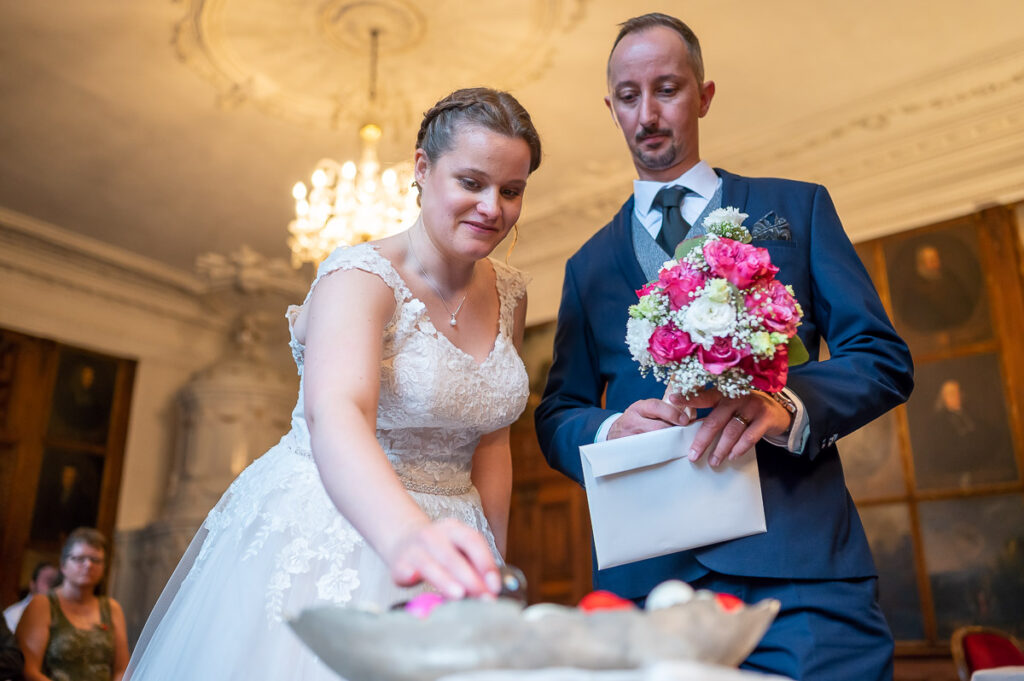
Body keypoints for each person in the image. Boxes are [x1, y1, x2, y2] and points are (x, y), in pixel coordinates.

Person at [534, 13, 914, 681]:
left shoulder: (797, 210)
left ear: (704, 95)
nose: (648, 114)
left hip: (799, 577)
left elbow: (881, 357)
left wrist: (785, 404)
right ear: (611, 109)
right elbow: (558, 412)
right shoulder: (586, 266)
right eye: (629, 96)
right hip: (646, 587)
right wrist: (607, 428)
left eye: (667, 89)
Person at [124, 87, 541, 680]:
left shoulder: (511, 294)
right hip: (337, 526)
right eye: (471, 182)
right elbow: (337, 413)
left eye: (511, 190)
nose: (491, 208)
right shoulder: (359, 276)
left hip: (458, 530)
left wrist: (494, 560)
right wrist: (407, 538)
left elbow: (492, 438)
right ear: (422, 169)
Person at [15, 528, 129, 681]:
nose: (88, 565)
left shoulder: (112, 608)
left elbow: (122, 669)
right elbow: (29, 669)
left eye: (95, 560)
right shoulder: (43, 604)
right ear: (63, 565)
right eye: (80, 558)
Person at [3, 563, 58, 632]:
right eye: (48, 581)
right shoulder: (13, 615)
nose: (54, 587)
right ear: (32, 585)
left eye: (56, 583)